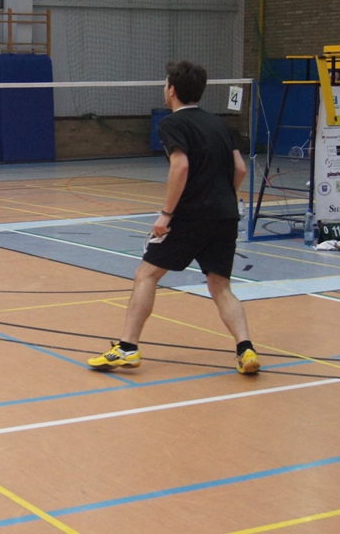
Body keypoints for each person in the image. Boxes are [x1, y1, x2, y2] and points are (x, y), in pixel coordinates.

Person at [88, 61, 260, 375]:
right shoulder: (221, 124)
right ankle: (245, 349)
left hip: (190, 216)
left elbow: (180, 167)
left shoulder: (172, 124)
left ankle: (127, 348)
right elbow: (240, 169)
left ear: (172, 90)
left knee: (146, 275)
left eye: (166, 84)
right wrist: (221, 199)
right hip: (225, 215)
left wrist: (166, 215)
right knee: (220, 286)